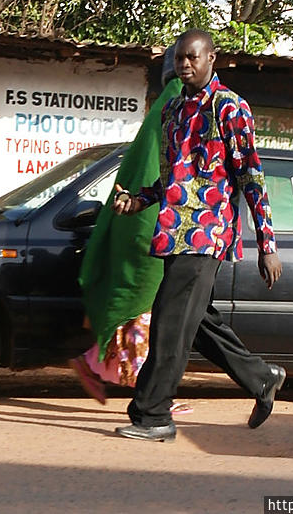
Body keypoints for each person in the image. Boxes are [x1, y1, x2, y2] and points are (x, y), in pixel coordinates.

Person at [112, 29, 284, 442]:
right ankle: (261, 378)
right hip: (174, 231)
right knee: (199, 322)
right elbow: (173, 177)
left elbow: (251, 176)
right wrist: (140, 200)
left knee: (170, 325)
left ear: (211, 59)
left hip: (207, 233)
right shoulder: (172, 111)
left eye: (192, 57)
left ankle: (153, 415)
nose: (184, 64)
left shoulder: (230, 108)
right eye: (178, 58)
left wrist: (267, 244)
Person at [72, 76, 194, 412]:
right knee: (151, 313)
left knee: (144, 313)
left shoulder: (156, 122)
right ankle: (153, 395)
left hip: (141, 223)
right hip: (153, 227)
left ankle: (94, 364)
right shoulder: (178, 115)